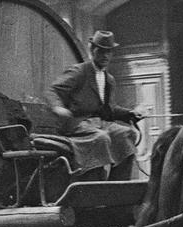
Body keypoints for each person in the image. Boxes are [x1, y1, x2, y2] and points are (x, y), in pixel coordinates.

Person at [48, 30, 143, 180]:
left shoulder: (109, 79)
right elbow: (53, 90)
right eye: (101, 51)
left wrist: (130, 114)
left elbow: (110, 109)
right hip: (77, 123)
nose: (105, 56)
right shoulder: (79, 72)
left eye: (109, 52)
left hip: (99, 123)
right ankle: (93, 187)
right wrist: (58, 107)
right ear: (92, 50)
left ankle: (117, 187)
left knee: (127, 134)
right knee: (102, 138)